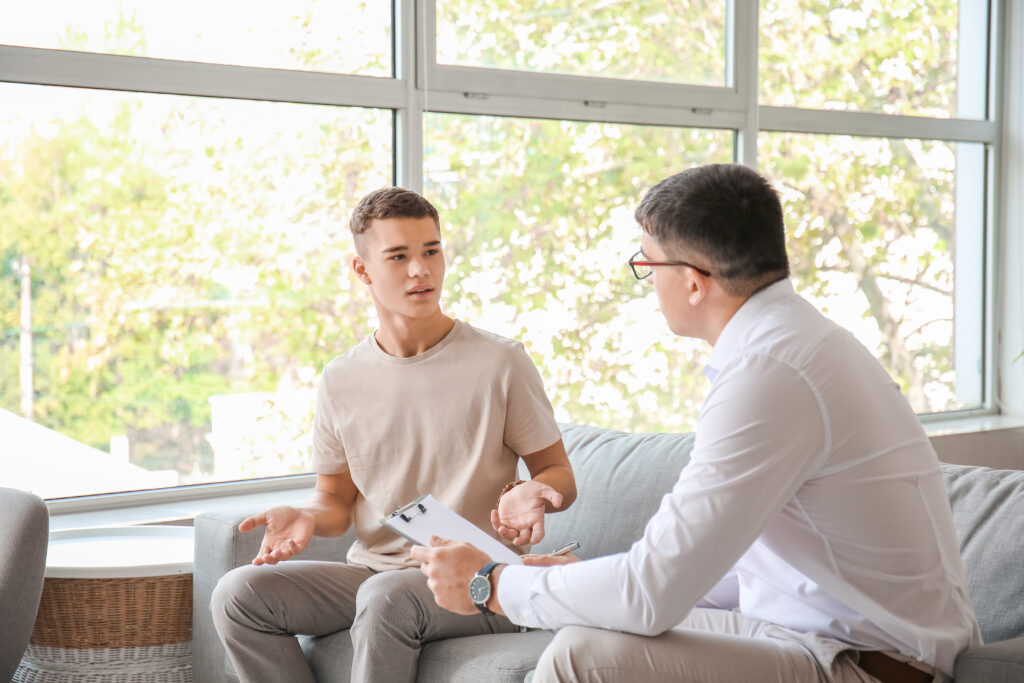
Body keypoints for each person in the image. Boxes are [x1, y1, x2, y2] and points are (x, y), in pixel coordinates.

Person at [413, 164, 981, 683]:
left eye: (647, 263)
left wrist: (491, 584)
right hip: (822, 636)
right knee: (593, 626)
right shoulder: (796, 344)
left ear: (692, 280)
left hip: (874, 666)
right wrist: (580, 582)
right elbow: (732, 574)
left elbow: (648, 595)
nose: (648, 280)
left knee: (582, 656)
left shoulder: (770, 375)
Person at [211, 187, 577, 683]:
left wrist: (537, 492)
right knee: (239, 595)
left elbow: (559, 476)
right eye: (399, 256)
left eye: (431, 250)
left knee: (385, 599)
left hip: (476, 574)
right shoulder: (341, 379)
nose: (421, 270)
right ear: (363, 270)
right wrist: (305, 515)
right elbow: (335, 502)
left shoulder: (501, 362)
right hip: (373, 570)